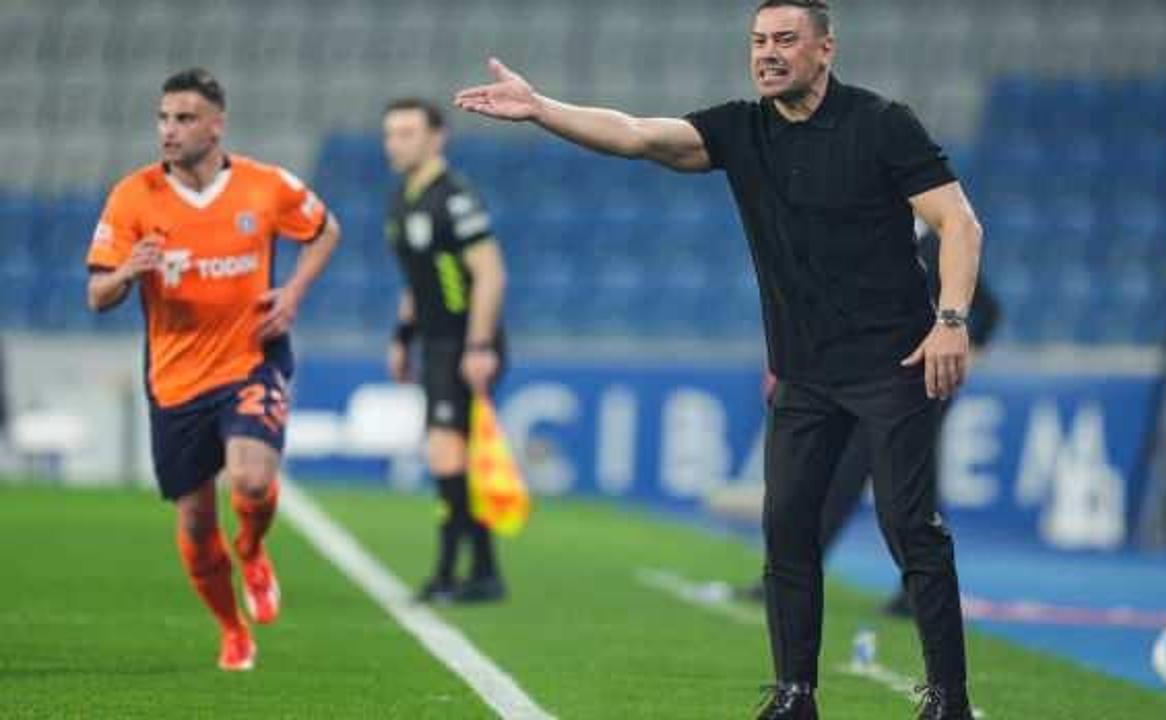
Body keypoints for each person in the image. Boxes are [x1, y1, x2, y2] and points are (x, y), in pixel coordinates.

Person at [455, 1, 983, 717]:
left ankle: (948, 699)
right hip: (803, 374)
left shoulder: (882, 123)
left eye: (785, 40)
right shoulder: (741, 129)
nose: (768, 53)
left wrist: (951, 320)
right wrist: (542, 109)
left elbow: (958, 223)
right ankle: (795, 695)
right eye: (758, 41)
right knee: (786, 530)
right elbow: (636, 135)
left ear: (825, 49)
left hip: (895, 364)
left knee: (910, 529)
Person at [85, 68, 340, 671]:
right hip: (175, 381)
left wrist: (293, 293)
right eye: (163, 118)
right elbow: (97, 295)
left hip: (251, 357)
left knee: (250, 479)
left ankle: (251, 547)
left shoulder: (264, 185)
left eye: (184, 118)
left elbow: (325, 229)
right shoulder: (133, 196)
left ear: (216, 125)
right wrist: (127, 272)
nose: (168, 130)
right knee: (198, 523)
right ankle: (232, 629)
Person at [741, 231, 1002, 618]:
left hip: (917, 385)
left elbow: (988, 311)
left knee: (879, 483)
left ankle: (802, 579)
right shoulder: (878, 236)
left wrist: (957, 353)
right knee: (878, 483)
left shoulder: (936, 246)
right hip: (871, 380)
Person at [382, 98, 509, 604]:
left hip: (463, 341)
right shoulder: (402, 199)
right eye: (390, 134)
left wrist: (478, 346)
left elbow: (491, 274)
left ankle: (449, 573)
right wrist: (402, 337)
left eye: (407, 133)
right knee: (456, 457)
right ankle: (482, 571)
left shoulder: (454, 198)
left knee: (447, 451)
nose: (395, 143)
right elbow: (418, 279)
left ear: (437, 137)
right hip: (434, 342)